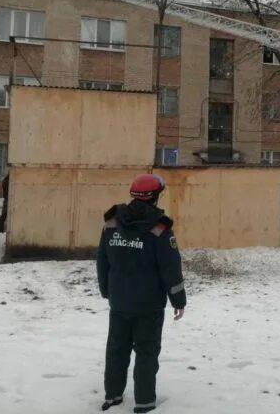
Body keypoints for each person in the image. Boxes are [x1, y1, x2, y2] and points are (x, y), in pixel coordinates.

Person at [97, 173, 186, 413]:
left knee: (116, 349)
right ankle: (144, 402)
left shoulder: (112, 222)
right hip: (149, 306)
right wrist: (178, 300)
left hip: (119, 302)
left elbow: (102, 261)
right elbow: (170, 268)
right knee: (146, 352)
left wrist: (107, 290)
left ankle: (113, 395)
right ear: (155, 196)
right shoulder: (160, 228)